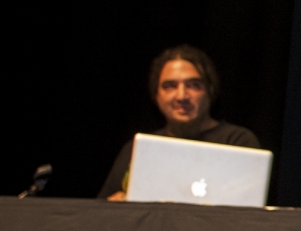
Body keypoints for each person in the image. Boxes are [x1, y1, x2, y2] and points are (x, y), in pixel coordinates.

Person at [98, 45, 259, 200]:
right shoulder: (138, 149)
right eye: (170, 86)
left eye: (193, 85)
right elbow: (101, 210)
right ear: (156, 95)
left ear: (210, 90)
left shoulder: (237, 142)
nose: (181, 96)